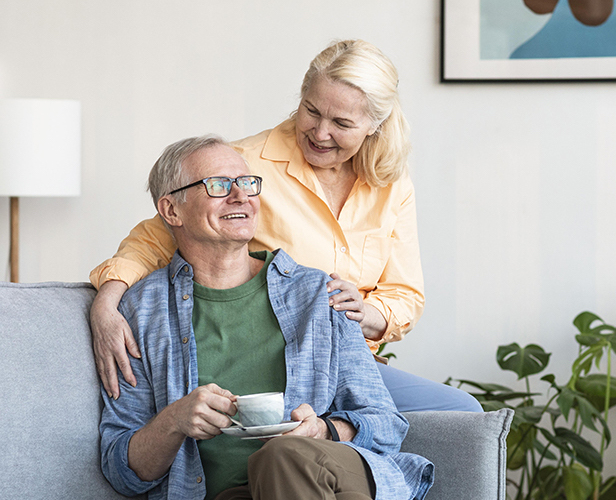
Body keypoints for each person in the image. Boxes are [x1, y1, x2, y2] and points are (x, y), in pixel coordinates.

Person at [88, 39, 480, 412]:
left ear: (374, 125)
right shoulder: (244, 167)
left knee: (462, 413)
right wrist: (105, 305)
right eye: (311, 111)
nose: (320, 132)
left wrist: (366, 312)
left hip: (350, 361)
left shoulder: (390, 182)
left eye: (341, 122)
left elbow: (404, 293)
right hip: (277, 358)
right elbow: (153, 237)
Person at [100, 135, 433, 500]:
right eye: (218, 185)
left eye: (247, 183)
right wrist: (174, 421)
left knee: (282, 456)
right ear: (171, 210)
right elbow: (123, 471)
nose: (240, 196)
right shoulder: (141, 313)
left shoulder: (318, 295)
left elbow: (386, 425)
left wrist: (324, 431)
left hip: (330, 473)